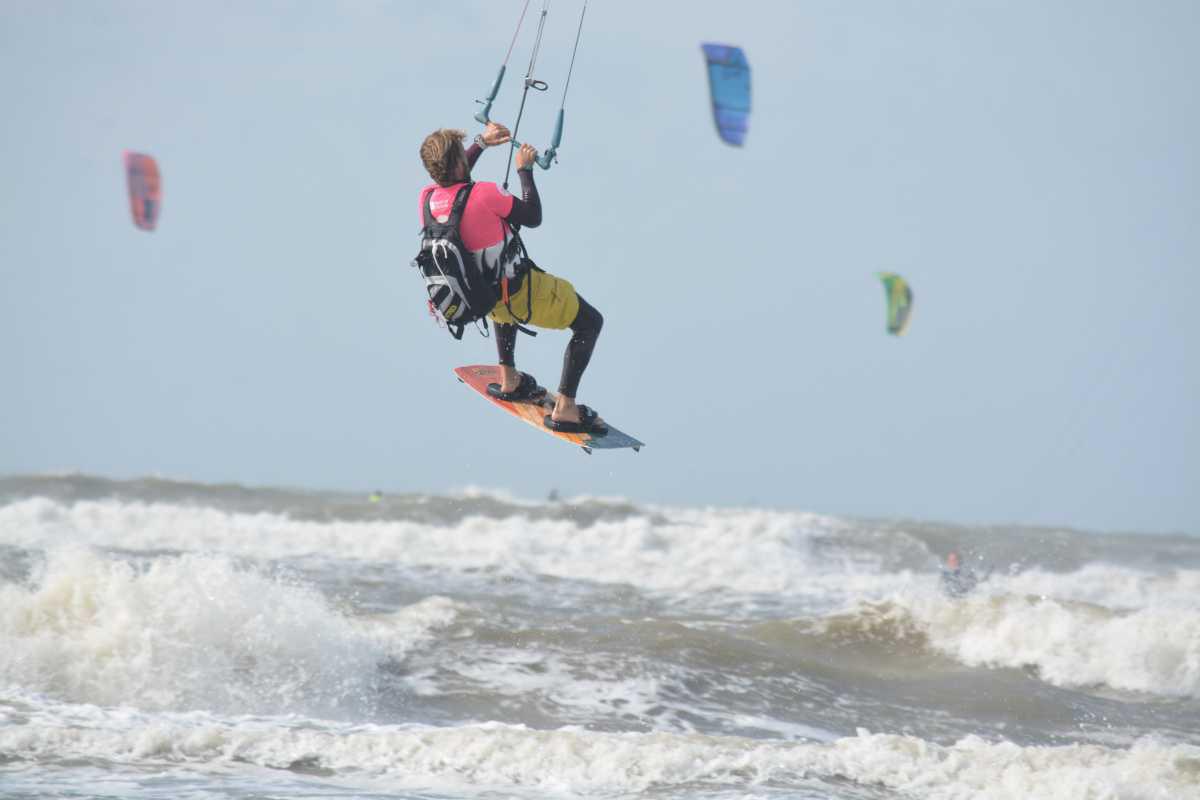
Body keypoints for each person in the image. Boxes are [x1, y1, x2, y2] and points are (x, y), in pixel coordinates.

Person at [417, 123, 606, 434]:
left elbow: (455, 184)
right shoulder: (486, 194)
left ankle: (509, 378)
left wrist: (480, 143)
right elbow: (533, 217)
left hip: (482, 298)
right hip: (522, 294)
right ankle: (567, 409)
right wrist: (525, 171)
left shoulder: (428, 200)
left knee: (496, 287)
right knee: (590, 322)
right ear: (459, 163)